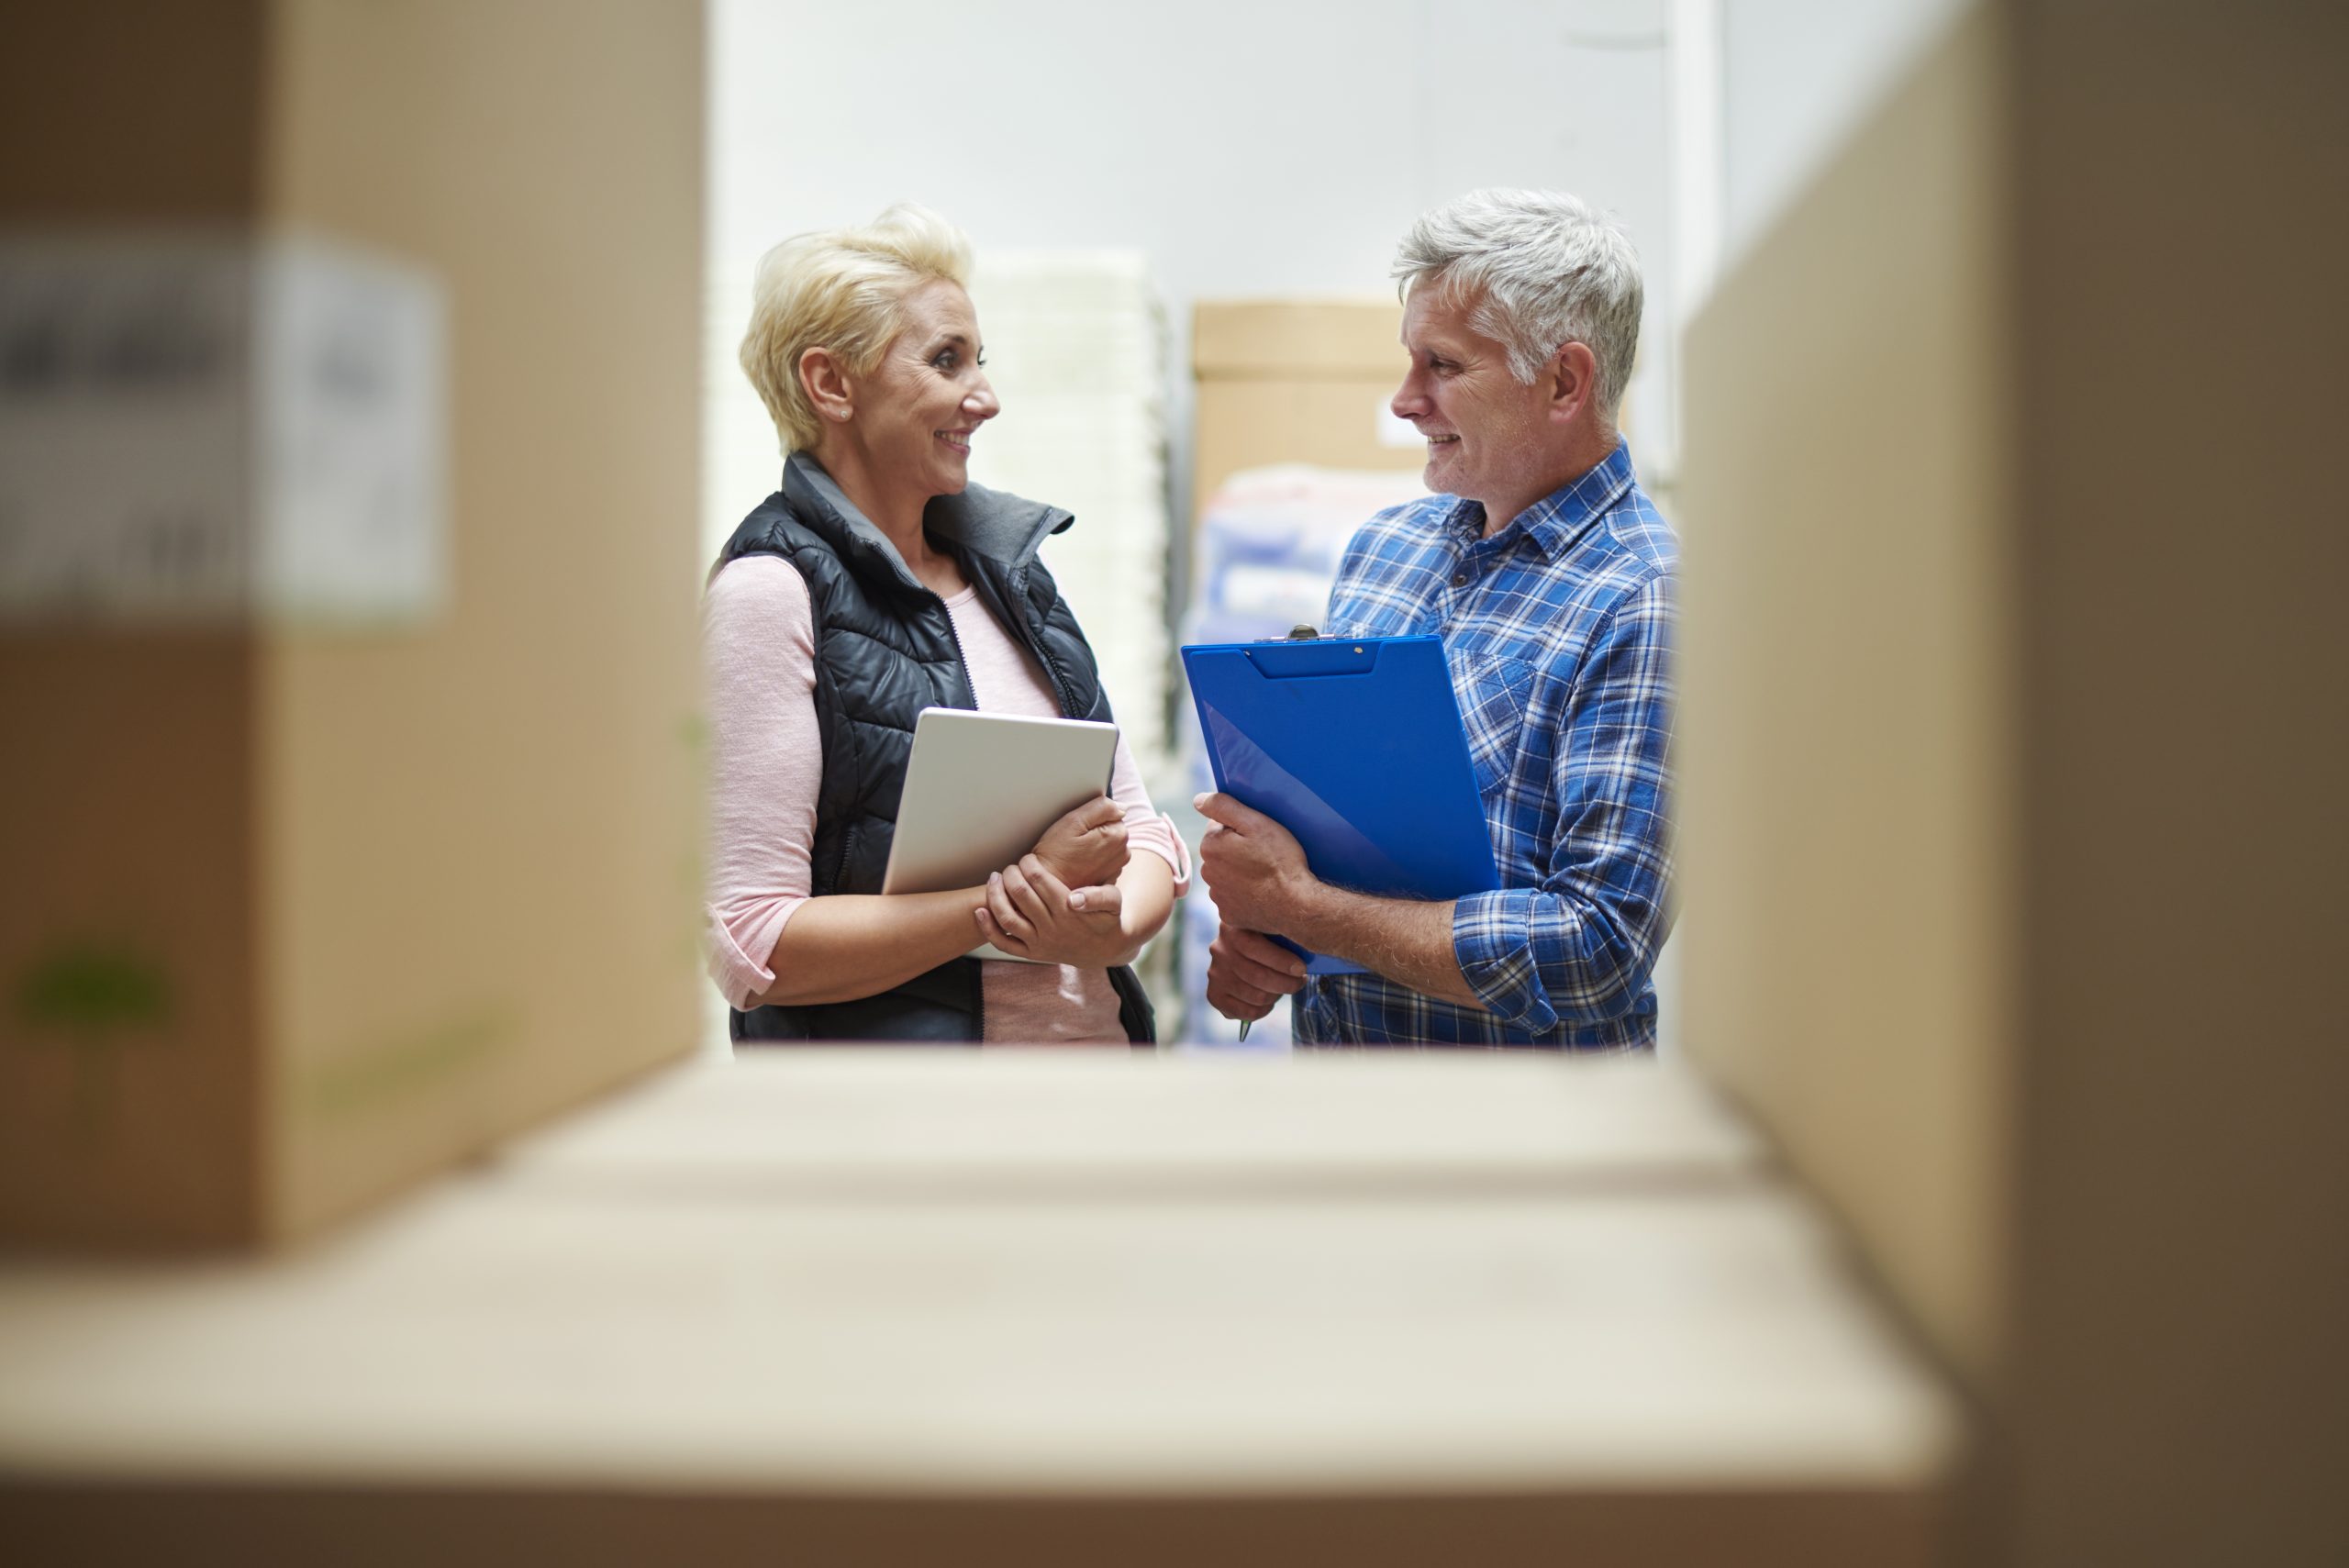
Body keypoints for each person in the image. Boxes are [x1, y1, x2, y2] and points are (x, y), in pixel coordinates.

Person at [1197, 188, 1674, 1050]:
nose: (1404, 401)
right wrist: (1265, 945)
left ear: (1564, 380)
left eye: (1444, 367)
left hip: (1525, 1156)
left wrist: (1309, 908)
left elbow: (1596, 946)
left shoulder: (1645, 598)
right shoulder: (1387, 550)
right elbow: (1336, 855)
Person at [705, 204, 1186, 1044]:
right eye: (945, 361)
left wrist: (1114, 924)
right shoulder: (769, 593)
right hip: (917, 1134)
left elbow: (1141, 827)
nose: (986, 398)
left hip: (1099, 1108)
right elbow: (754, 944)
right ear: (831, 383)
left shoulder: (1015, 576)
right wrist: (1006, 902)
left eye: (979, 360)